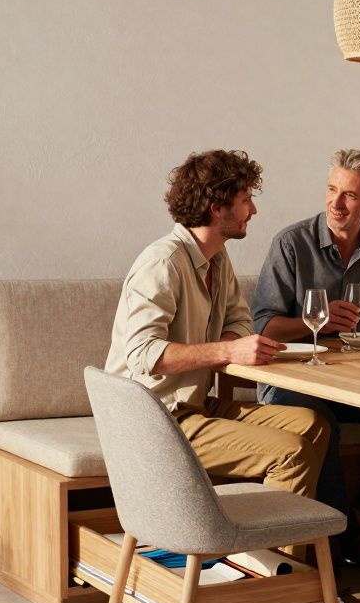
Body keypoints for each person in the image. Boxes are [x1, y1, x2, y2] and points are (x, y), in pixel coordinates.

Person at [105, 149, 331, 499]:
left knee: (313, 424)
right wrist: (228, 350)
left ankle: (278, 541)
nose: (253, 210)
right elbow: (142, 354)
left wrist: (234, 345)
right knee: (293, 452)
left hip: (193, 405)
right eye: (245, 200)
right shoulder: (163, 263)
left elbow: (241, 320)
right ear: (217, 208)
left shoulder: (217, 258)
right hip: (153, 419)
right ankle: (262, 555)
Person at [251, 148, 360, 578]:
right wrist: (320, 320)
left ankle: (357, 526)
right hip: (291, 380)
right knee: (318, 420)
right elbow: (265, 327)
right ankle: (335, 539)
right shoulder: (291, 243)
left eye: (349, 194)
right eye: (331, 189)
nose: (336, 202)